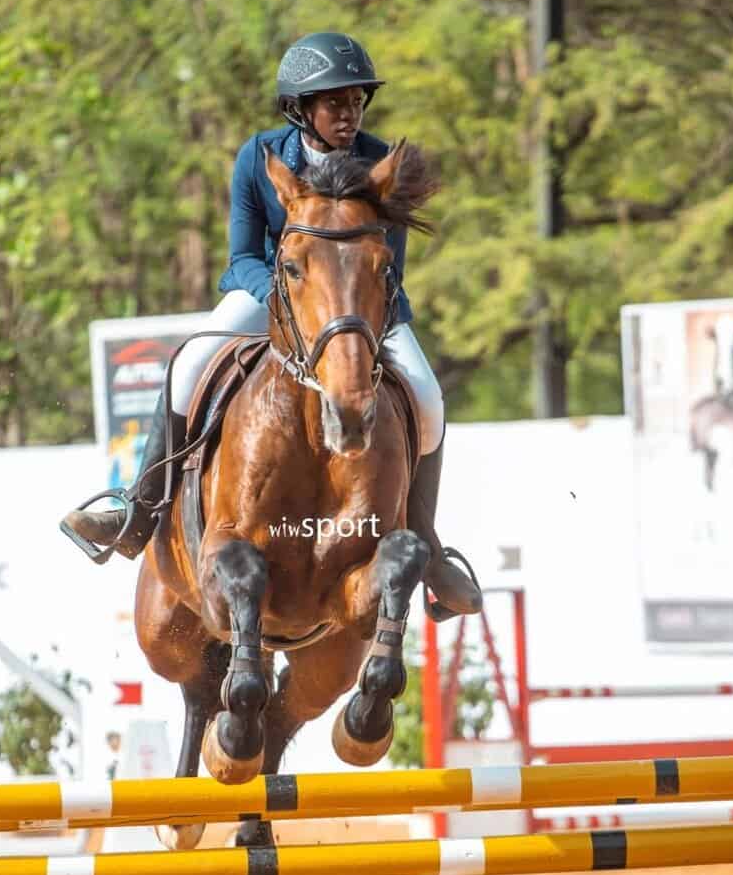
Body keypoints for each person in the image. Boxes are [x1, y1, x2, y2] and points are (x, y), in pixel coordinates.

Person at [60, 31, 481, 617]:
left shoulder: (381, 161)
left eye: (357, 101)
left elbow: (391, 271)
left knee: (429, 397)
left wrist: (357, 318)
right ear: (301, 109)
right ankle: (141, 506)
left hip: (359, 309)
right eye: (336, 103)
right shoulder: (259, 156)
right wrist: (285, 300)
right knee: (185, 366)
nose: (348, 113)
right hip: (273, 292)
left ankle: (427, 545)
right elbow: (240, 257)